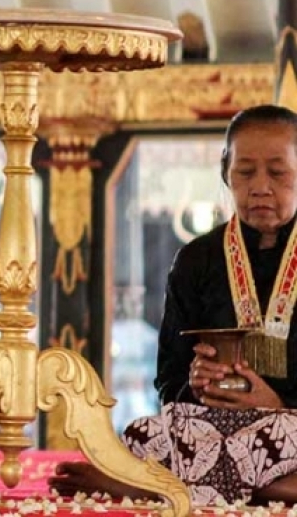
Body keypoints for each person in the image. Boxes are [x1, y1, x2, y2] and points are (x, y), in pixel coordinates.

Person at [52, 105, 297, 506]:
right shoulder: (197, 260)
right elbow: (167, 385)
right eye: (246, 172)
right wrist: (196, 385)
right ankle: (250, 489)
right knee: (143, 434)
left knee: (269, 437)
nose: (260, 187)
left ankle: (153, 486)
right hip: (216, 427)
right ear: (225, 173)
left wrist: (275, 405)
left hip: (290, 430)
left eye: (278, 172)